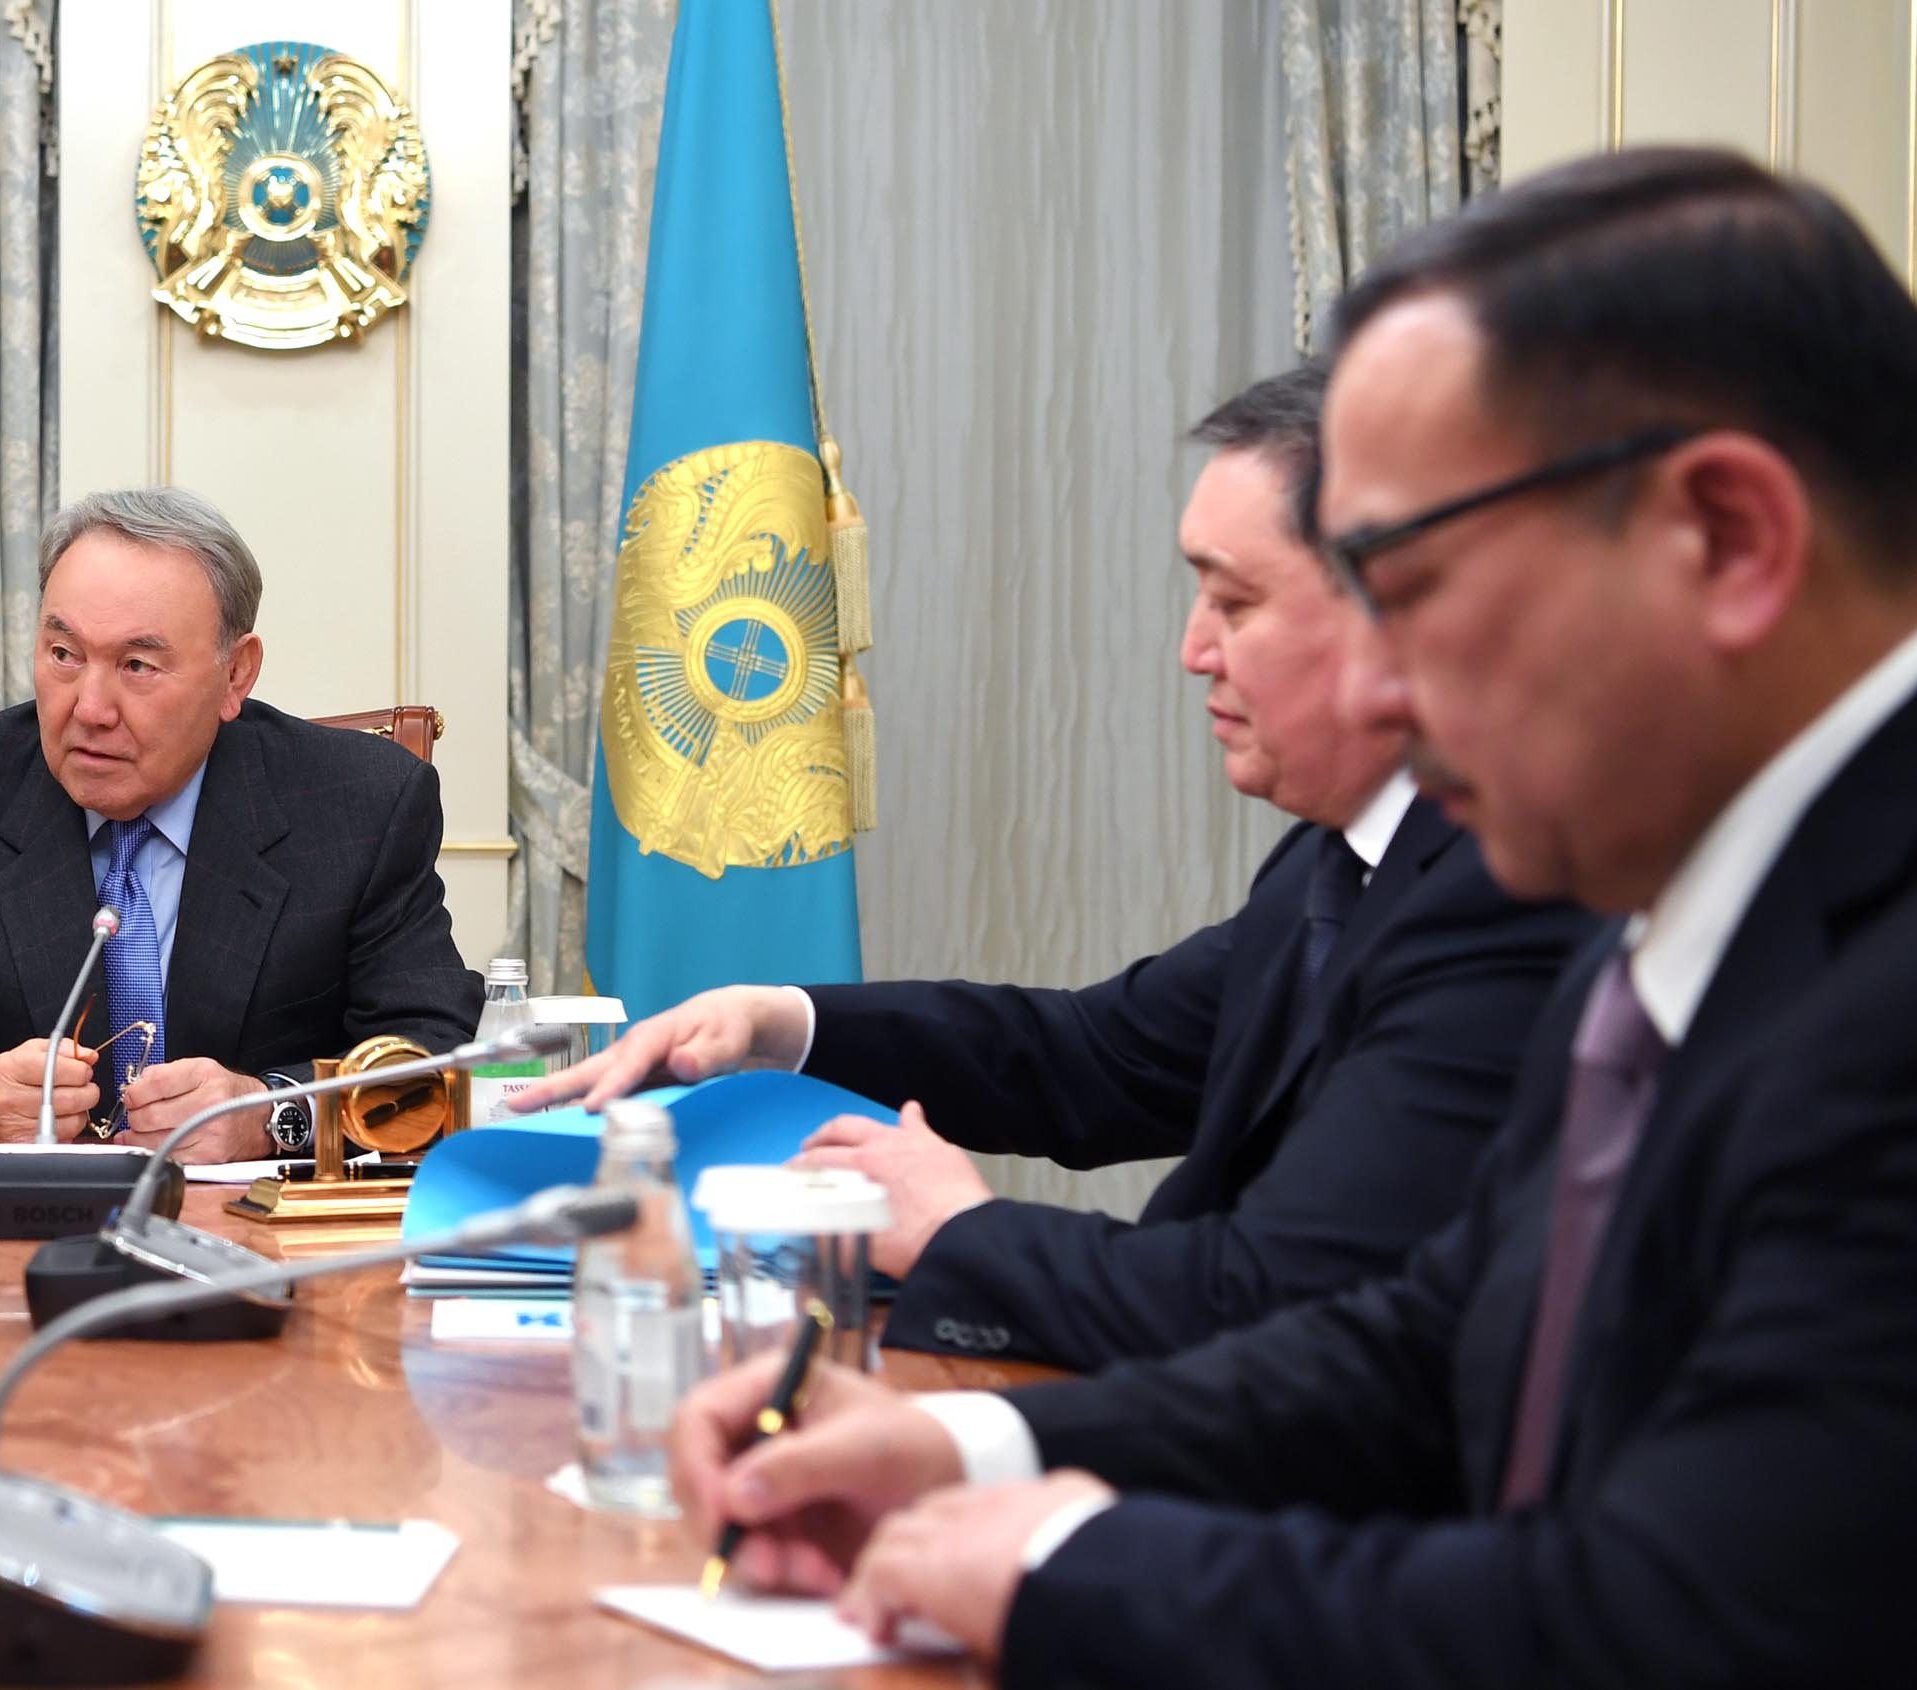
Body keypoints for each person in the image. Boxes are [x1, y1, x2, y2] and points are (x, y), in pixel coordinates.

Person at [672, 147, 1917, 1686]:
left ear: (1724, 538)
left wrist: (1065, 1561)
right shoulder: (1667, 886)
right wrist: (965, 1448)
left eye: (1414, 583)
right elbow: (1433, 1345)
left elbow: (1673, 1623)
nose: (1381, 684)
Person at [517, 367, 1594, 1371]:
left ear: (1399, 616)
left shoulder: (1507, 897)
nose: (1194, 651)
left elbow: (1275, 1297)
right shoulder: (1338, 857)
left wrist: (960, 1230)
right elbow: (1093, 1057)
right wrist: (779, 1022)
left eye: (1234, 603)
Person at [0, 487, 481, 1159]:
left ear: (236, 675)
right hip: (16, 1219)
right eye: (64, 655)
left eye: (137, 665)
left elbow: (436, 1054)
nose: (89, 708)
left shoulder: (359, 804)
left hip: (255, 1224)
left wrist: (271, 1115)